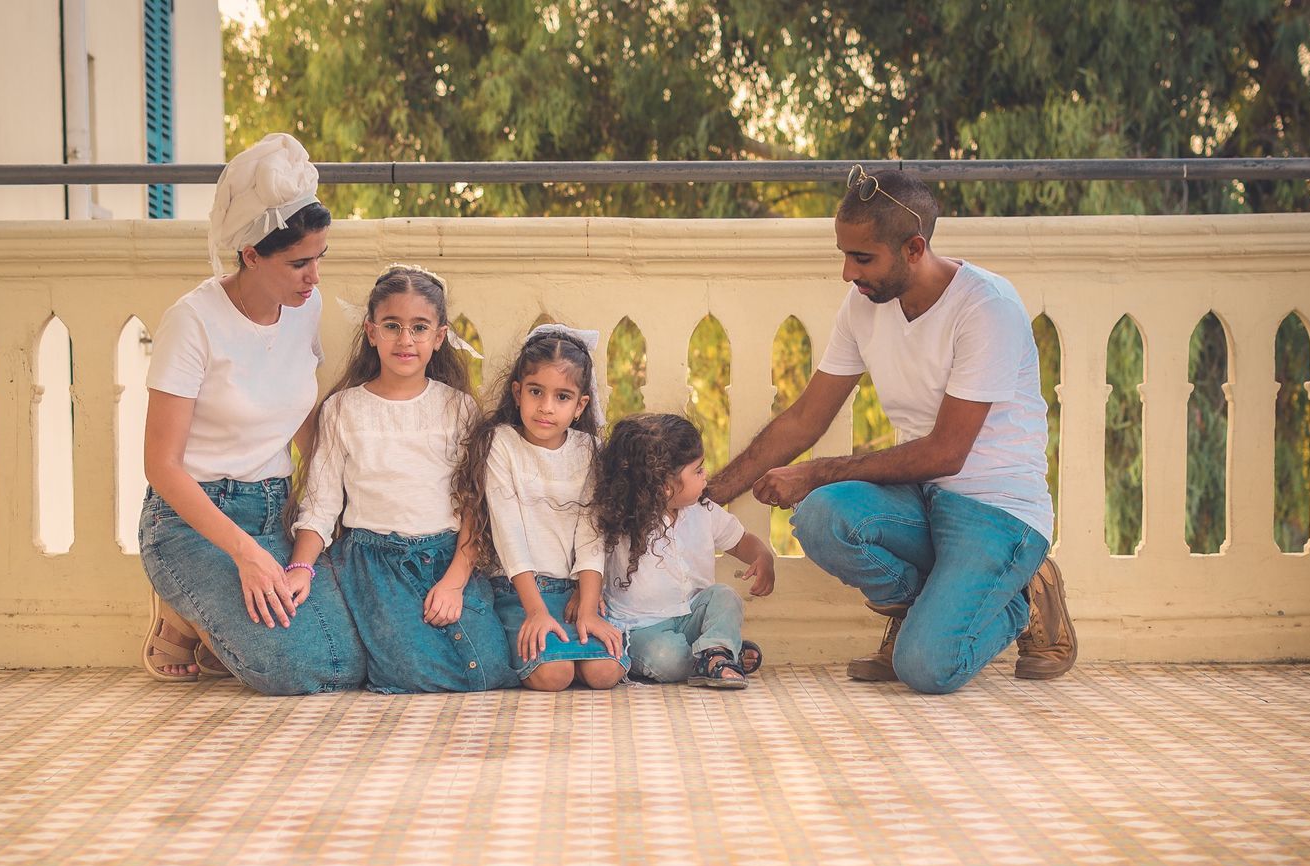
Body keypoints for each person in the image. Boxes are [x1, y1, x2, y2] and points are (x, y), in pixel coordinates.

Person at [706, 167, 1077, 694]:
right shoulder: (863, 305)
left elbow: (948, 452)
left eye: (862, 258)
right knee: (821, 518)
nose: (846, 273)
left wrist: (816, 471)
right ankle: (935, 607)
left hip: (997, 512)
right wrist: (708, 495)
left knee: (926, 668)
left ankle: (1024, 591)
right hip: (922, 500)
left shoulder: (985, 306)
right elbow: (805, 418)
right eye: (844, 254)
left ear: (913, 247)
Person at [136, 133, 365, 695]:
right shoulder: (192, 322)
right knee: (296, 669)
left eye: (320, 259)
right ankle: (180, 610)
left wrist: (332, 496)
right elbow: (161, 466)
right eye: (298, 264)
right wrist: (245, 555)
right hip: (193, 521)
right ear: (250, 255)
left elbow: (300, 415)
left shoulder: (301, 310)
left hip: (273, 511)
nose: (314, 278)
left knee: (350, 659)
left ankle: (218, 624)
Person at [284, 265, 517, 694]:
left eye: (419, 328)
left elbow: (474, 506)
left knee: (487, 669)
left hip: (447, 555)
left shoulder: (459, 408)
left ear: (439, 336)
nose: (405, 340)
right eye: (392, 326)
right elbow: (320, 502)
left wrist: (454, 580)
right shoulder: (344, 409)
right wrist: (300, 566)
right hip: (374, 560)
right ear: (372, 332)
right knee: (410, 672)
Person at [453, 326, 629, 692]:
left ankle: (572, 641)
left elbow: (592, 534)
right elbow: (508, 533)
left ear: (580, 406)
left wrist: (588, 609)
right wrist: (535, 610)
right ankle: (548, 647)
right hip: (518, 592)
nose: (546, 407)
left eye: (562, 397)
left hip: (573, 593)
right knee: (555, 675)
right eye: (536, 392)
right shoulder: (501, 443)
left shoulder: (588, 450)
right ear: (518, 393)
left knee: (605, 673)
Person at [595, 413, 775, 689]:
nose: (706, 476)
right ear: (667, 488)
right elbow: (590, 559)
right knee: (665, 658)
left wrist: (762, 556)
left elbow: (739, 541)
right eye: (698, 470)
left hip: (692, 614)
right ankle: (721, 654)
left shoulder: (703, 511)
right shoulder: (623, 520)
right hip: (641, 627)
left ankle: (715, 652)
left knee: (725, 597)